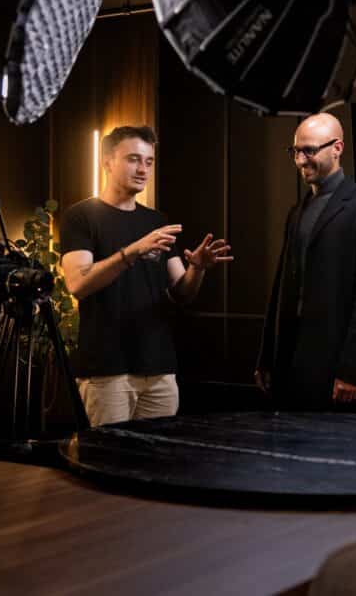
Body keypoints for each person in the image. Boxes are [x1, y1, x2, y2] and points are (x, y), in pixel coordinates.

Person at [60, 126, 232, 426]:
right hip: (107, 370)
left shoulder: (156, 221)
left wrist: (198, 268)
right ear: (107, 162)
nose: (143, 169)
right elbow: (78, 284)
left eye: (149, 161)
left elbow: (182, 292)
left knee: (157, 462)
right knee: (108, 463)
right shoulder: (80, 217)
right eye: (133, 159)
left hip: (160, 370)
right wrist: (134, 251)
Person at [255, 112, 356, 410]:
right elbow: (280, 289)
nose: (301, 160)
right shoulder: (297, 211)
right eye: (296, 151)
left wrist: (351, 370)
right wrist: (266, 357)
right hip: (289, 364)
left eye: (310, 150)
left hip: (334, 371)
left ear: (338, 148)